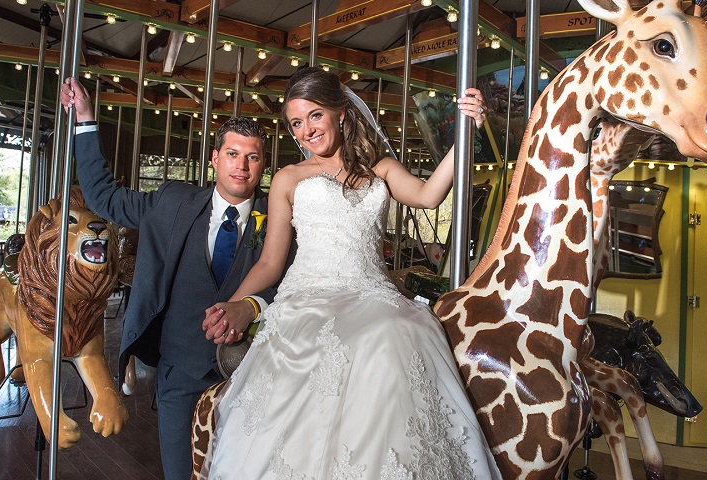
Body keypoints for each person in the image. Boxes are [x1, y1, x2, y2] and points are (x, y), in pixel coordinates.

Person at [201, 67, 502, 479]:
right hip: (310, 296)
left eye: (314, 116)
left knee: (395, 331)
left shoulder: (380, 169)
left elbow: (430, 196)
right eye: (296, 123)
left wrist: (466, 132)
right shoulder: (289, 179)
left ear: (340, 112)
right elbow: (271, 263)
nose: (305, 130)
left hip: (372, 294)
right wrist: (234, 304)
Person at [60, 77, 287, 480]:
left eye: (252, 157)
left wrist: (252, 304)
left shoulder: (281, 219)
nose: (242, 165)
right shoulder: (171, 201)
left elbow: (291, 281)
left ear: (262, 165)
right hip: (179, 370)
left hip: (254, 372)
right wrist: (85, 120)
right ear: (215, 159)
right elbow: (104, 197)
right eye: (233, 154)